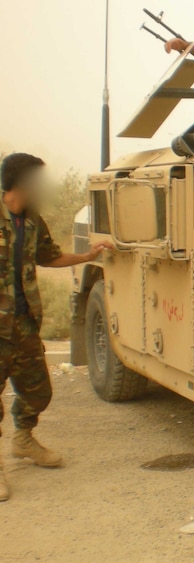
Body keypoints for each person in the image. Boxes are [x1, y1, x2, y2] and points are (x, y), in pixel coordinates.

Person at [0, 153, 112, 502]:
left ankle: (23, 440)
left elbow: (48, 256)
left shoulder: (32, 221)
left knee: (38, 390)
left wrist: (86, 257)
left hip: (23, 322)